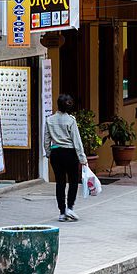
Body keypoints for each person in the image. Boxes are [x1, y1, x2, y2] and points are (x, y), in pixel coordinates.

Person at [43, 93, 87, 222]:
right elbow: (77, 141)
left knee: (60, 183)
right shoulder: (71, 120)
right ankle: (70, 208)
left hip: (56, 154)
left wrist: (48, 153)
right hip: (70, 153)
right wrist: (82, 158)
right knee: (73, 181)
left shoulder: (49, 120)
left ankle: (62, 212)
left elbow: (46, 140)